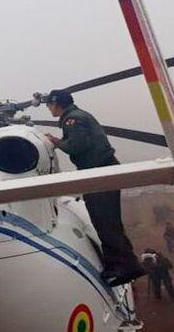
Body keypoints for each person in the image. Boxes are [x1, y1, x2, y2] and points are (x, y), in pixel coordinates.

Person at [43, 89, 145, 286]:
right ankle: (127, 264)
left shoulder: (72, 119)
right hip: (102, 172)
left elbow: (77, 145)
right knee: (108, 221)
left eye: (49, 105)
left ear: (57, 103)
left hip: (99, 174)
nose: (48, 108)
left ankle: (123, 266)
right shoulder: (78, 116)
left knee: (104, 221)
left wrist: (57, 142)